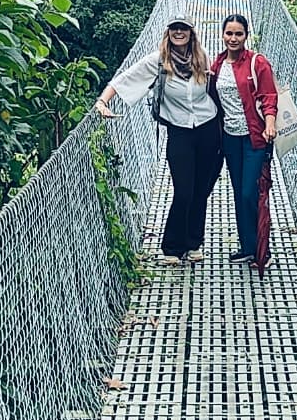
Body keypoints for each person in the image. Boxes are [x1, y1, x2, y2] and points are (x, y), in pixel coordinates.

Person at [94, 17, 222, 265]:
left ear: (191, 33)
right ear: (168, 33)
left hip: (208, 128)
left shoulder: (202, 57)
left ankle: (193, 243)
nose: (178, 32)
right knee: (184, 190)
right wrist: (102, 101)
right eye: (174, 28)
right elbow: (124, 79)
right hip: (179, 131)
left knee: (201, 190)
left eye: (183, 29)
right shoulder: (158, 61)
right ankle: (172, 247)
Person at [209, 14, 277, 272]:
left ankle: (262, 250)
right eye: (229, 33)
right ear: (222, 35)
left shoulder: (257, 63)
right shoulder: (217, 64)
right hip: (229, 138)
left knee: (251, 192)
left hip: (255, 138)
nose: (233, 38)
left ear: (246, 36)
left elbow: (269, 97)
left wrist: (270, 124)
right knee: (239, 192)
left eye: (238, 34)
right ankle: (248, 247)